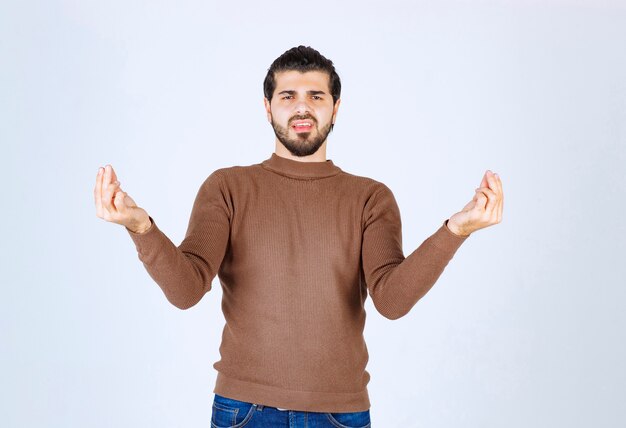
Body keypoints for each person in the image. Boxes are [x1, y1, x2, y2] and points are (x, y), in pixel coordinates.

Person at [94, 45, 504, 428]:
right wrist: (140, 226)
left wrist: (456, 231)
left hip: (340, 413)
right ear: (267, 107)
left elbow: (392, 302)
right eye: (288, 96)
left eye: (316, 96)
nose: (302, 106)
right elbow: (185, 289)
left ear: (335, 108)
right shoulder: (228, 188)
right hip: (243, 410)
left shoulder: (370, 197)